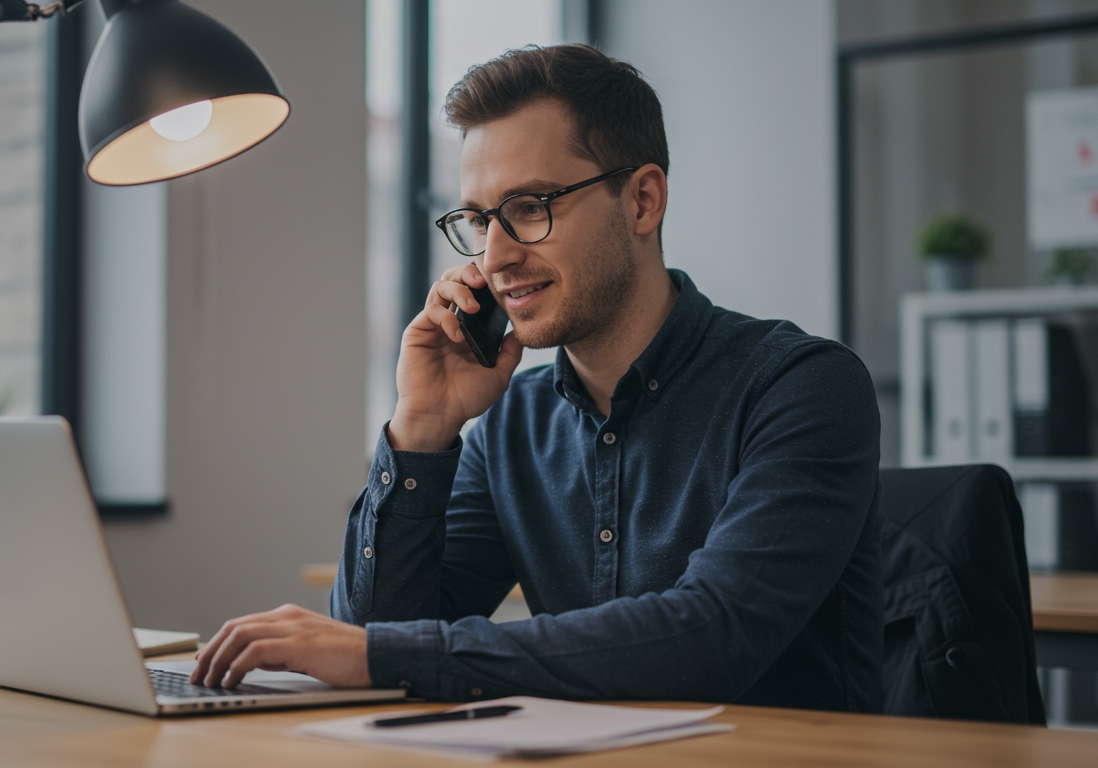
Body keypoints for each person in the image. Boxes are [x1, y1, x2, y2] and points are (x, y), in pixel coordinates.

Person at [191, 44, 884, 712]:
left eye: (530, 207)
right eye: (478, 219)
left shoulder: (803, 388)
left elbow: (710, 636)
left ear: (642, 201)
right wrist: (422, 429)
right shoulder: (509, 425)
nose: (495, 257)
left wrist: (376, 656)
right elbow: (380, 634)